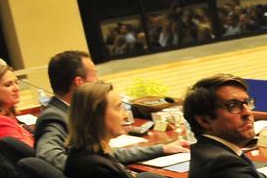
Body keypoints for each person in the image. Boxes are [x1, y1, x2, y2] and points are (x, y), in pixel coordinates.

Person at [34, 50, 186, 171]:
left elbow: (105, 154)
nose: (100, 80)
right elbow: (48, 157)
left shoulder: (68, 113)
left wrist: (162, 149)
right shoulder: (55, 117)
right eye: (95, 75)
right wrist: (98, 166)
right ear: (80, 83)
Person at [63, 80, 159, 178]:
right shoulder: (94, 169)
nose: (124, 114)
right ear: (96, 116)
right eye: (118, 107)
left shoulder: (86, 154)